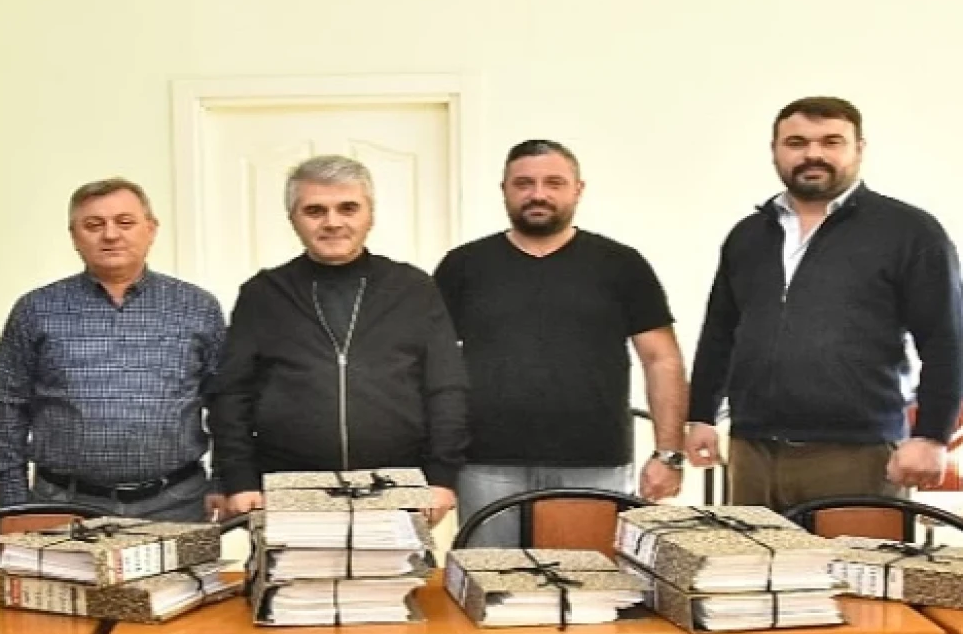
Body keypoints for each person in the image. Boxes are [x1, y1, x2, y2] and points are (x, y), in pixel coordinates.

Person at [686, 96, 963, 511]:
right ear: (775, 151)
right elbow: (720, 334)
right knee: (750, 557)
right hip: (751, 452)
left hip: (858, 455)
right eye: (796, 142)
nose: (812, 154)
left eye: (831, 142)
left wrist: (931, 436)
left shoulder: (910, 232)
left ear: (859, 149)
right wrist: (701, 416)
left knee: (855, 558)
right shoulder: (748, 236)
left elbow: (947, 340)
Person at [434, 139, 688, 547]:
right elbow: (432, 364)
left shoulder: (621, 265)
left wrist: (668, 454)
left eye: (554, 183)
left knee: (589, 582)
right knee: (489, 580)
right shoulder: (463, 266)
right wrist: (436, 464)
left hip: (594, 462)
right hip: (485, 463)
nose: (538, 194)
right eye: (524, 183)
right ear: (504, 190)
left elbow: (662, 360)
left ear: (578, 189)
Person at [209, 154, 469, 525]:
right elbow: (231, 393)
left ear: (370, 214)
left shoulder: (413, 288)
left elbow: (446, 386)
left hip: (397, 483)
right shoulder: (263, 294)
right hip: (286, 486)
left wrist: (442, 476)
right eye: (315, 210)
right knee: (291, 568)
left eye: (348, 208)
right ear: (293, 218)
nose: (332, 222)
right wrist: (239, 478)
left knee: (395, 567)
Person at [0, 177, 226, 522]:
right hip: (62, 504)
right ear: (74, 236)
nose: (110, 235)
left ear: (151, 229)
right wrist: (12, 501)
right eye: (94, 225)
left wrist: (224, 479)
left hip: (177, 504)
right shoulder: (36, 309)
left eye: (125, 222)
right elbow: (4, 406)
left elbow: (226, 402)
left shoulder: (197, 307)